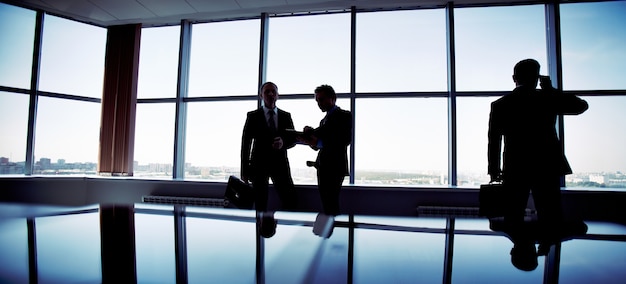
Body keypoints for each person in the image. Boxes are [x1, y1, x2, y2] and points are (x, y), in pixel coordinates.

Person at [487, 58, 588, 255]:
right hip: (547, 165)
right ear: (537, 78)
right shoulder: (547, 99)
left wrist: (494, 170)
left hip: (515, 166)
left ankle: (522, 246)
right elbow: (580, 106)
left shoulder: (501, 104)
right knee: (550, 215)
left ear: (514, 78)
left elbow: (494, 140)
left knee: (513, 216)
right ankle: (551, 248)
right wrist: (551, 90)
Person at [241, 82, 297, 212]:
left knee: (290, 200)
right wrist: (244, 170)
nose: (271, 94)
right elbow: (245, 144)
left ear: (278, 96)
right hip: (258, 166)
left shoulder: (285, 116)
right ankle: (260, 230)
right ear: (261, 95)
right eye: (267, 91)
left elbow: (293, 139)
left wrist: (283, 143)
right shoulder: (253, 116)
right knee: (260, 203)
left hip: (280, 165)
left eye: (273, 91)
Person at [299, 84, 352, 215]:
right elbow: (319, 143)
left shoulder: (344, 116)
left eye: (321, 99)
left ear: (333, 98)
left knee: (331, 204)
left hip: (334, 167)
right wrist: (311, 140)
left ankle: (332, 232)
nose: (319, 103)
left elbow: (345, 140)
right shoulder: (324, 120)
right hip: (324, 167)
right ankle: (331, 231)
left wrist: (317, 141)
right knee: (327, 204)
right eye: (317, 101)